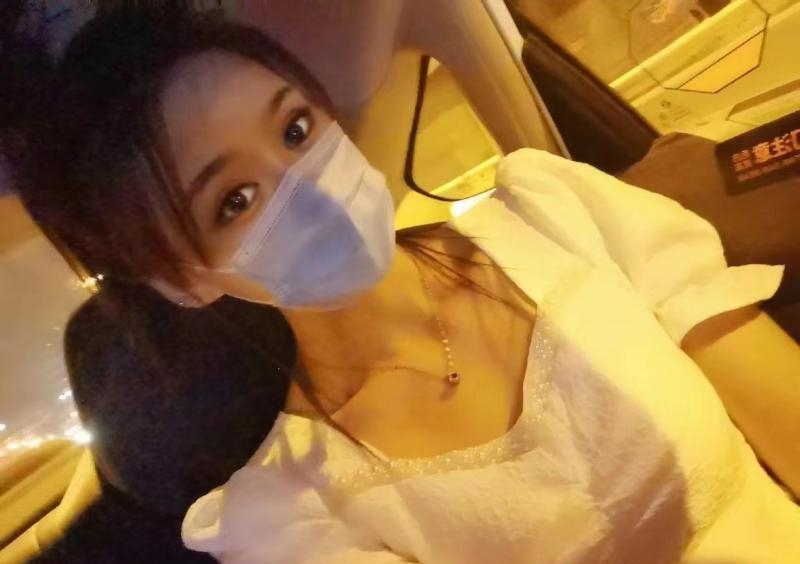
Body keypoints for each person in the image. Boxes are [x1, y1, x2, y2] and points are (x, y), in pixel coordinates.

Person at [18, 6, 800, 564]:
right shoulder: (293, 517)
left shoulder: (559, 213)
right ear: (187, 282)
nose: (308, 188)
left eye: (295, 128)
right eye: (235, 200)